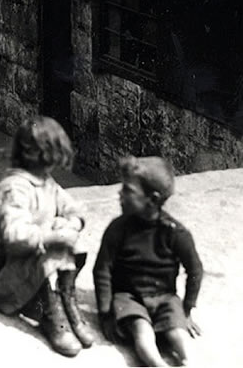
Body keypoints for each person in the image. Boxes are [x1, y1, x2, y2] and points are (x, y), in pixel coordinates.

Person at [0, 116, 95, 357]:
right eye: (52, 157)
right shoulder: (13, 188)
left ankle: (65, 296)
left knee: (68, 238)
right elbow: (15, 237)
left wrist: (70, 223)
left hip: (22, 258)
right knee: (50, 248)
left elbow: (74, 208)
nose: (54, 165)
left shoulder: (44, 181)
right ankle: (52, 315)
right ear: (34, 155)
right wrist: (53, 235)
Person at [93, 156, 203, 366]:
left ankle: (190, 362)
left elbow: (195, 270)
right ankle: (157, 364)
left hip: (165, 297)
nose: (120, 194)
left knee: (177, 332)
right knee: (141, 332)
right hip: (129, 297)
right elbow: (102, 271)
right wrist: (105, 313)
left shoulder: (175, 233)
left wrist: (187, 310)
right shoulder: (118, 228)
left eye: (128, 190)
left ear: (152, 199)